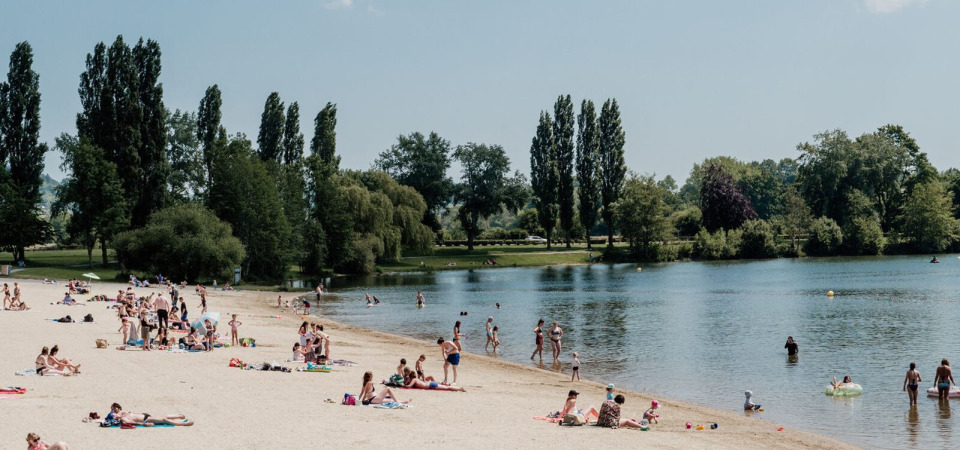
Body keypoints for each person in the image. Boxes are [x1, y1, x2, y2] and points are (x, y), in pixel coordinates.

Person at [109, 403, 194, 426]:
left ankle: (180, 417)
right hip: (145, 419)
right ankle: (182, 423)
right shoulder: (123, 419)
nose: (114, 412)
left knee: (162, 418)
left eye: (114, 409)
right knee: (164, 419)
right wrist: (145, 424)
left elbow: (119, 411)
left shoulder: (123, 412)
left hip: (144, 415)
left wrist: (118, 413)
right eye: (113, 412)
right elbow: (132, 423)